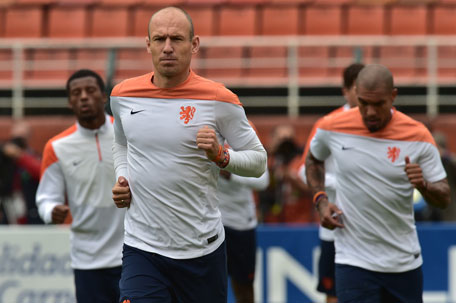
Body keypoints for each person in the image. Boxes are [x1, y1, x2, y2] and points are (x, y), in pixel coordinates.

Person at [110, 6, 267, 303]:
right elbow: (121, 143)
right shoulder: (122, 95)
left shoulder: (220, 99)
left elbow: (259, 162)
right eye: (159, 39)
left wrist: (222, 156)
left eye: (177, 39)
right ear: (148, 45)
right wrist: (122, 177)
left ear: (194, 45)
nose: (167, 48)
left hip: (201, 250)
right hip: (142, 247)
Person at [305, 64, 450, 303]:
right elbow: (313, 160)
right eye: (363, 103)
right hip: (352, 261)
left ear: (393, 96)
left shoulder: (418, 135)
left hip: (403, 262)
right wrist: (321, 200)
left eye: (379, 104)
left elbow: (444, 197)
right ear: (355, 94)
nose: (370, 112)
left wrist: (424, 186)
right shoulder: (332, 127)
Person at [36, 69, 125, 303]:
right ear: (69, 101)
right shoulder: (56, 147)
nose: (84, 96)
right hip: (87, 258)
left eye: (90, 90)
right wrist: (50, 211)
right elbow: (46, 197)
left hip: (134, 252)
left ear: (104, 97)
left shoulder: (127, 135)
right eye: (76, 93)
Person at [299, 62, 364, 303]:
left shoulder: (383, 124)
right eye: (357, 88)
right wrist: (340, 182)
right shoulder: (329, 124)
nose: (362, 94)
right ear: (345, 91)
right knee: (333, 294)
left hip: (371, 227)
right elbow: (301, 170)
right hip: (335, 227)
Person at [217, 125, 269, 303]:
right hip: (209, 221)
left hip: (241, 223)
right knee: (208, 287)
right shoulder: (193, 127)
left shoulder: (242, 129)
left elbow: (263, 180)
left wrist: (230, 171)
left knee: (244, 289)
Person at [0, 120, 42, 224]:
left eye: (22, 138)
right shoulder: (4, 157)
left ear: (29, 138)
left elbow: (41, 172)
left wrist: (20, 156)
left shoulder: (33, 156)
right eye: (16, 138)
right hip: (9, 207)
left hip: (32, 210)